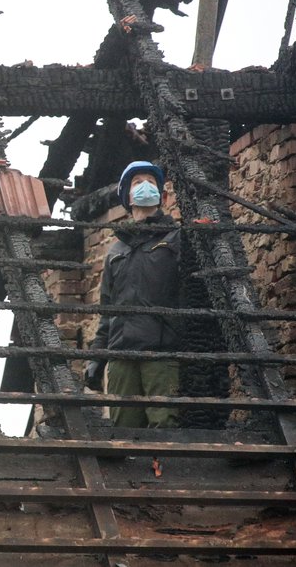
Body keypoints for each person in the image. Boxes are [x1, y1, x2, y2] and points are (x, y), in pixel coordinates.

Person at [86, 161, 181, 428]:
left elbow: (191, 293)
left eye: (151, 182)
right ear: (128, 195)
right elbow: (107, 312)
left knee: (165, 428)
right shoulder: (116, 251)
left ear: (162, 196)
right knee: (123, 431)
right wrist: (97, 358)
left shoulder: (175, 240)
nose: (145, 187)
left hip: (161, 352)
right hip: (121, 355)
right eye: (138, 183)